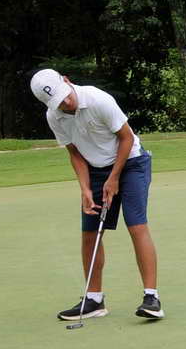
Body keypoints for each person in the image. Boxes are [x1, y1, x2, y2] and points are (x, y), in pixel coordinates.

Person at [30, 69, 163, 320]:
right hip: (96, 168)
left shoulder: (97, 99)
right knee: (90, 233)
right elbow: (75, 154)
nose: (66, 103)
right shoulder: (54, 117)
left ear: (67, 81)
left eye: (65, 96)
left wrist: (114, 178)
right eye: (58, 102)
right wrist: (85, 189)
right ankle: (94, 300)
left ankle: (151, 298)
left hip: (131, 162)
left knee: (136, 225)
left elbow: (126, 138)